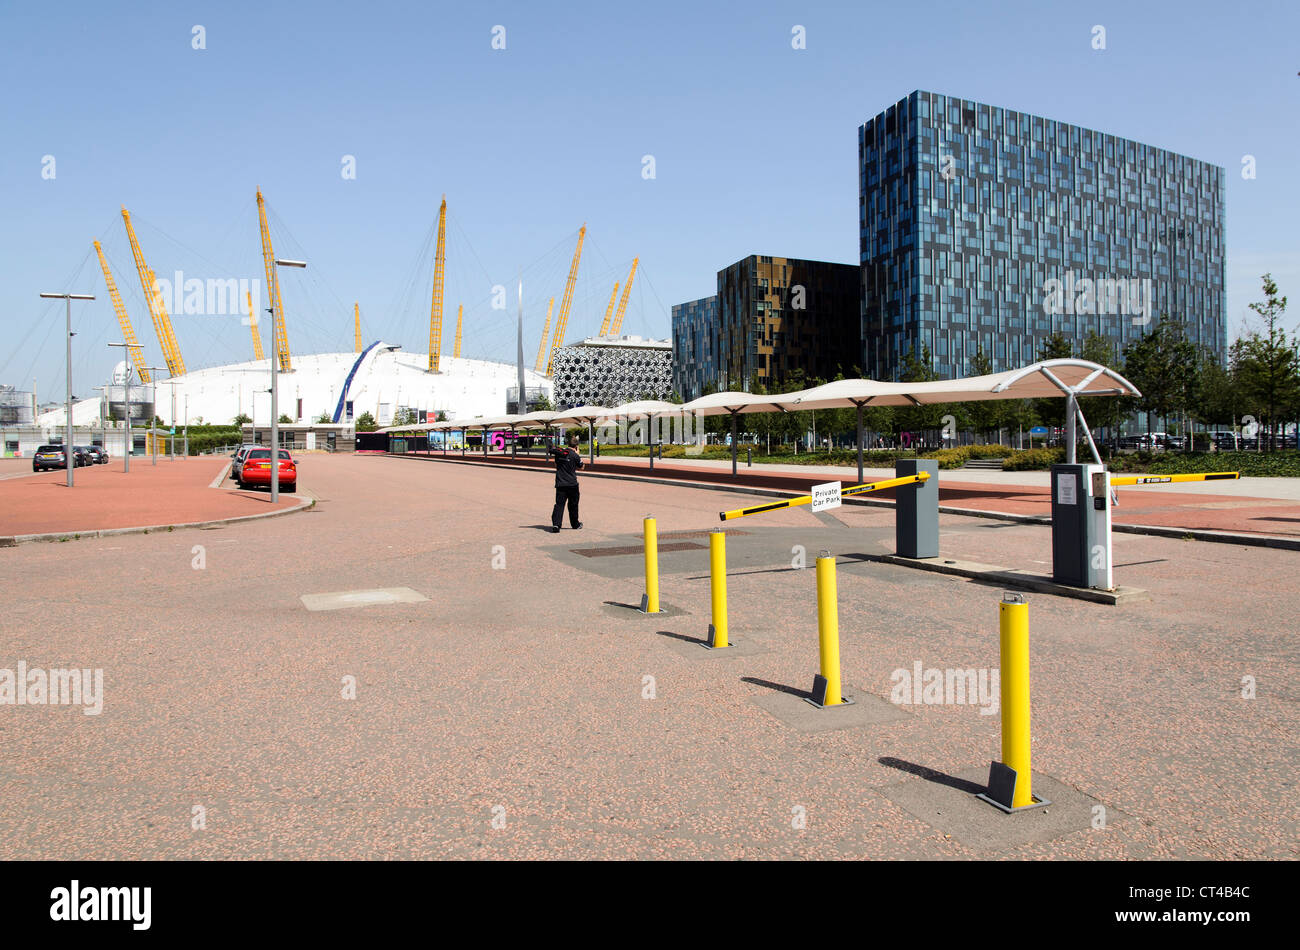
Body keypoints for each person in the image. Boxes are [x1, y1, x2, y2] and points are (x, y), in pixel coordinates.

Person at [549, 431, 583, 532]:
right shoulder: (575, 456)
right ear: (576, 446)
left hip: (560, 483)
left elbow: (556, 466)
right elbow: (582, 467)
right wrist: (578, 456)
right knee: (573, 505)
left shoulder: (559, 453)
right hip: (572, 484)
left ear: (568, 444)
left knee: (559, 504)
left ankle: (556, 524)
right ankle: (575, 524)